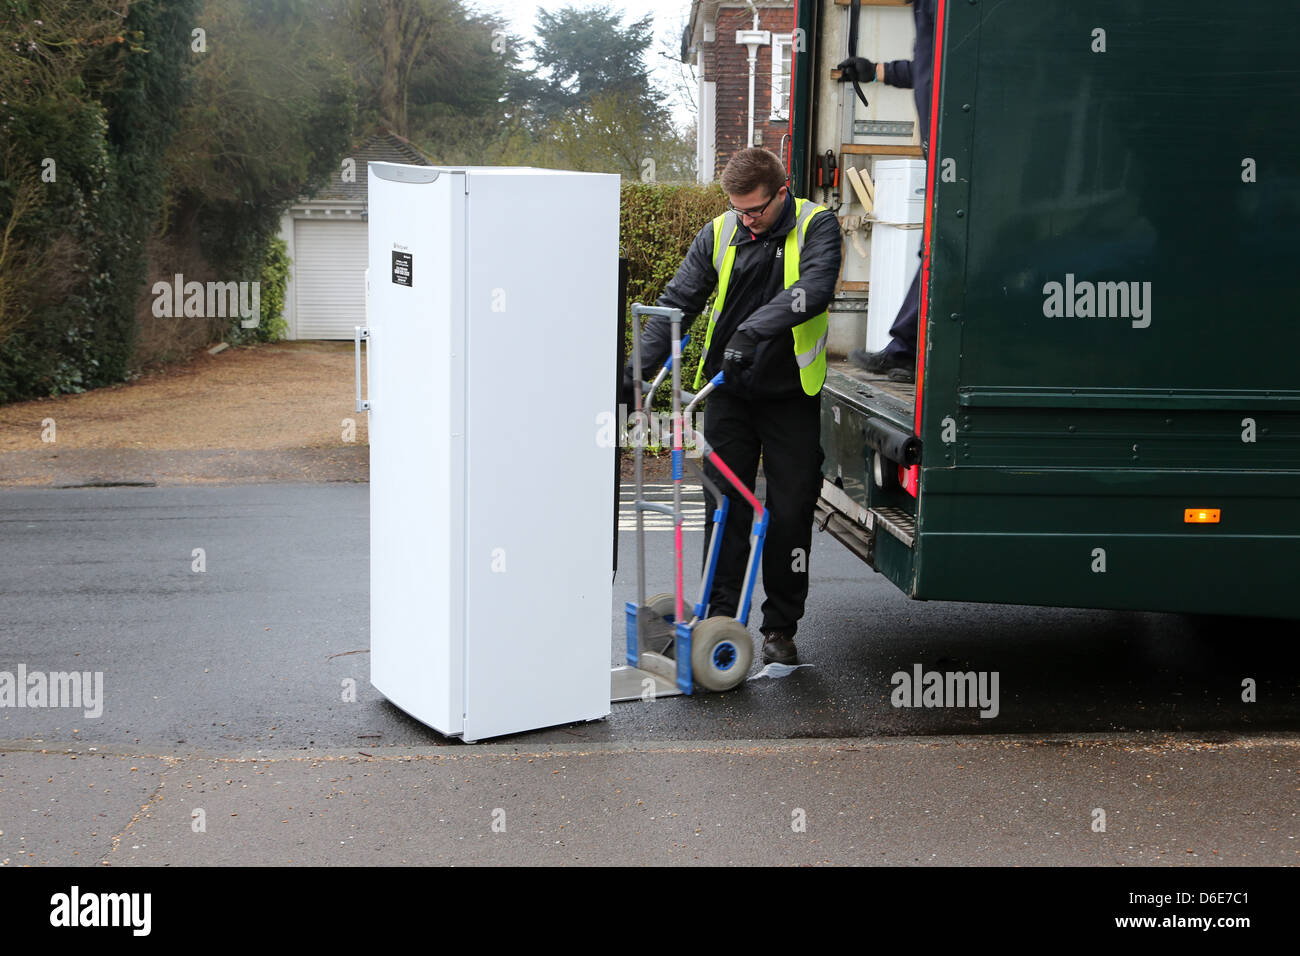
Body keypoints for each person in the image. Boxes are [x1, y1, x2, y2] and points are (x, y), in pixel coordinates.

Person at [623, 148, 841, 665]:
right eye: (739, 210)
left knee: (789, 514)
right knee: (725, 509)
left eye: (756, 210)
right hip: (728, 393)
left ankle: (780, 629)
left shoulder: (817, 225)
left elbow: (813, 289)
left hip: (790, 397)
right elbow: (679, 300)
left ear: (781, 192)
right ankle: (721, 620)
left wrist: (752, 330)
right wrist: (632, 373)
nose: (747, 220)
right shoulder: (720, 231)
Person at [837, 0, 937, 383]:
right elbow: (928, 69)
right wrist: (875, 71)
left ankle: (907, 351)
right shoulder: (926, 9)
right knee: (934, 249)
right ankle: (907, 351)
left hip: (964, 150)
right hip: (945, 150)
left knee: (937, 249)